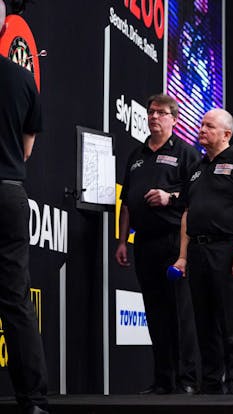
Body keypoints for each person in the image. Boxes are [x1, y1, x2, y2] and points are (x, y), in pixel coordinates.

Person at [171, 108, 233, 395]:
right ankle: (210, 383)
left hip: (227, 250)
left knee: (232, 321)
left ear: (226, 134)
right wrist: (183, 256)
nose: (201, 129)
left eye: (209, 126)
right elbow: (187, 213)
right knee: (203, 322)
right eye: (201, 125)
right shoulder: (197, 168)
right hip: (198, 252)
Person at [115, 94, 201, 395]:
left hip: (175, 242)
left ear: (174, 119)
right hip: (144, 243)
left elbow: (197, 198)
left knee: (180, 311)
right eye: (150, 112)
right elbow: (126, 203)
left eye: (160, 113)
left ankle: (187, 380)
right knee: (154, 312)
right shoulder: (136, 156)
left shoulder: (186, 154)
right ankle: (163, 380)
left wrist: (170, 198)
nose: (153, 117)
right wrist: (123, 241)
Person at [0, 2, 49, 413]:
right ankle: (32, 401)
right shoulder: (23, 80)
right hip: (10, 191)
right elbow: (26, 149)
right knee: (16, 299)